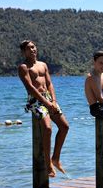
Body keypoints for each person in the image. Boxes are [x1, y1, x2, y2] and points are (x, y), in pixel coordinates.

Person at [18, 40, 69, 178]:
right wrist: (46, 103)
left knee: (64, 126)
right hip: (36, 100)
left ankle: (56, 158)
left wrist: (53, 100)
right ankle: (48, 164)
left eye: (33, 47)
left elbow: (49, 83)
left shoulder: (43, 65)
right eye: (29, 48)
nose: (32, 50)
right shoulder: (23, 67)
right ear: (24, 52)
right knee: (47, 128)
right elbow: (30, 88)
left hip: (48, 98)